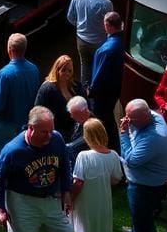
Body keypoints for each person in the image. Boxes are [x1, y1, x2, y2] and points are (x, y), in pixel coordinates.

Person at [0, 106, 75, 232]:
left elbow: (64, 164)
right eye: (44, 132)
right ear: (31, 128)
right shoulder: (13, 151)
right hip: (22, 203)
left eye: (51, 130)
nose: (50, 136)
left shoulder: (56, 139)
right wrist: (0, 209)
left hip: (50, 199)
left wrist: (66, 191)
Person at [119, 98, 167, 232]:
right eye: (126, 116)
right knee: (138, 214)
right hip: (148, 181)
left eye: (131, 119)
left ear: (144, 116)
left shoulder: (154, 136)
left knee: (143, 218)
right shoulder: (149, 114)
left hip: (145, 186)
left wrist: (123, 133)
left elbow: (131, 160)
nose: (127, 121)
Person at [70, 118, 123, 232]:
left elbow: (78, 183)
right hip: (103, 203)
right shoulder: (113, 155)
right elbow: (116, 180)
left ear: (87, 136)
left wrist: (70, 200)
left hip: (85, 204)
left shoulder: (83, 156)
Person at [0, 33, 41, 168]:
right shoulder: (34, 69)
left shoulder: (4, 74)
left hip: (5, 123)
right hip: (25, 122)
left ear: (9, 50)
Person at [66, 0, 111, 89]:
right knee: (99, 67)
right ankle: (96, 92)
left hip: (81, 40)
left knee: (84, 66)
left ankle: (85, 92)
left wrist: (81, 26)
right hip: (99, 42)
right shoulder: (106, 3)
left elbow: (70, 17)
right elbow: (110, 26)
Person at [90, 11, 125, 153]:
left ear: (107, 25)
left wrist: (91, 91)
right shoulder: (122, 42)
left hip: (103, 94)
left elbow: (98, 75)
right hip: (114, 90)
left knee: (104, 120)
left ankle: (107, 147)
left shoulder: (106, 49)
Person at [34, 55, 85, 140]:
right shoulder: (47, 88)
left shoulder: (76, 86)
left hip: (75, 131)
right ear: (57, 70)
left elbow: (84, 104)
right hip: (55, 132)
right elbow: (38, 110)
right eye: (63, 70)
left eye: (69, 70)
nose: (67, 73)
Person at [66, 95, 95, 164]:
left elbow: (86, 138)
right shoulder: (79, 121)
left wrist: (69, 146)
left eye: (74, 114)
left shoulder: (93, 124)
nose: (71, 116)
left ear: (83, 111)